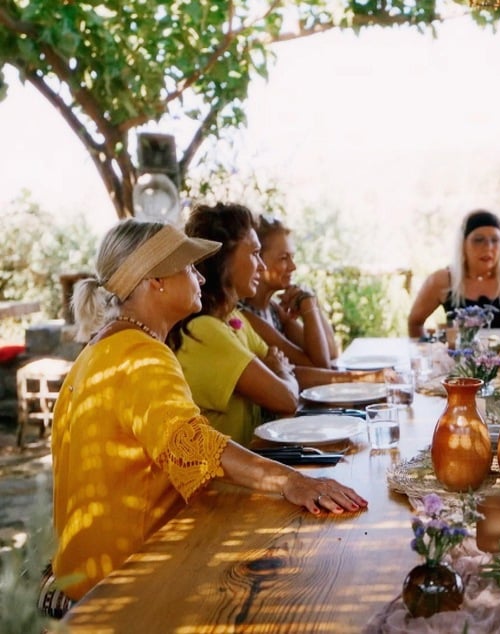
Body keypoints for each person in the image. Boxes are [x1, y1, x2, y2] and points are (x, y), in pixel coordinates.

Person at [49, 220, 367, 610]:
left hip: (86, 586)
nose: (200, 276)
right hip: (123, 591)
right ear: (155, 281)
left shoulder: (98, 353)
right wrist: (292, 481)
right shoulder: (140, 355)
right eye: (188, 266)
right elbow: (193, 443)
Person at [171, 203, 375, 446]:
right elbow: (286, 398)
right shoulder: (204, 331)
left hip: (258, 460)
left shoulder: (232, 318)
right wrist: (279, 372)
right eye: (254, 253)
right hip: (228, 477)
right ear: (224, 259)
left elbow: (294, 371)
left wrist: (366, 379)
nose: (262, 265)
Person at [407, 209, 500, 338]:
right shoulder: (442, 280)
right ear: (463, 244)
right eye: (479, 240)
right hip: (459, 362)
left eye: (495, 240)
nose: (488, 247)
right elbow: (415, 323)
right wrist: (428, 352)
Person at [240, 214, 337, 368]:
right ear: (259, 260)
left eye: (292, 257)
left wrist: (311, 302)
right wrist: (308, 307)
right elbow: (320, 365)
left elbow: (331, 351)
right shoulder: (245, 315)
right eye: (284, 258)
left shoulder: (274, 310)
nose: (293, 267)